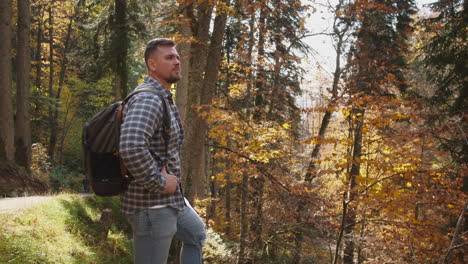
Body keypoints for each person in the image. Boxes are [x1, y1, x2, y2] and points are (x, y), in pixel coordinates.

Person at [119, 38, 206, 264]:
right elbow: (130, 146)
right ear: (152, 65)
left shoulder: (163, 98)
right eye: (169, 58)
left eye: (177, 57)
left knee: (195, 234)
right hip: (151, 206)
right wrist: (160, 182)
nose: (177, 62)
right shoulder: (148, 99)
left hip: (171, 200)